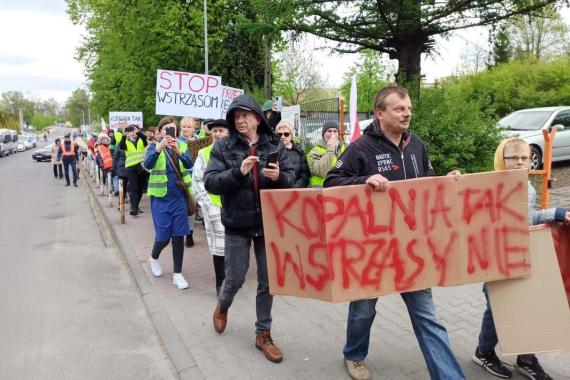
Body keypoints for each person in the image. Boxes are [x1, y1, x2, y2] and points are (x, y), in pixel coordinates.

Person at [324, 85, 465, 380]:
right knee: (363, 310)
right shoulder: (361, 148)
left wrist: (444, 182)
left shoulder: (417, 145)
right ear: (379, 113)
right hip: (372, 248)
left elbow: (425, 181)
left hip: (411, 248)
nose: (407, 113)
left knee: (427, 317)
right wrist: (364, 179)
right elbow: (331, 181)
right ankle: (354, 355)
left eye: (409, 108)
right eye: (399, 109)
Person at [204, 95, 294, 363]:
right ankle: (223, 305)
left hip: (268, 224)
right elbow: (210, 182)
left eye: (245, 115)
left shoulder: (273, 145)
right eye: (236, 116)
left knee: (268, 281)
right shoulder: (223, 147)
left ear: (257, 116)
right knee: (235, 278)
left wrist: (279, 178)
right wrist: (237, 172)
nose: (240, 120)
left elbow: (293, 178)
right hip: (237, 225)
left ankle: (263, 334)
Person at [472, 137, 570, 380]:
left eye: (524, 158)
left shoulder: (528, 187)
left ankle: (526, 358)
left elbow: (525, 218)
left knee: (528, 305)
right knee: (496, 309)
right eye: (513, 158)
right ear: (501, 161)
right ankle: (483, 352)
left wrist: (556, 213)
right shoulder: (489, 187)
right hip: (497, 259)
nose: (519, 163)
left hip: (523, 256)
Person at [145, 116, 193, 290]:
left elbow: (189, 164)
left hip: (179, 198)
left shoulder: (183, 146)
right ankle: (154, 257)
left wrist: (179, 152)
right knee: (163, 236)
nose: (169, 133)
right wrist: (159, 147)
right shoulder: (153, 147)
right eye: (166, 130)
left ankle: (177, 274)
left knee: (179, 236)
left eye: (172, 129)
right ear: (160, 132)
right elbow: (148, 165)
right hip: (160, 198)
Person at [192, 119, 229, 295]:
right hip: (214, 206)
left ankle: (231, 280)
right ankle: (220, 284)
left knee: (234, 245)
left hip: (234, 206)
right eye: (215, 131)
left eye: (221, 130)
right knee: (219, 247)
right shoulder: (204, 153)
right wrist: (208, 205)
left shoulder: (236, 151)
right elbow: (197, 181)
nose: (217, 134)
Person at [179, 117, 200, 247]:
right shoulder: (176, 142)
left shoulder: (199, 142)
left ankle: (190, 234)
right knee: (180, 209)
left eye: (188, 127)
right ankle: (179, 234)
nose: (186, 129)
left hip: (194, 180)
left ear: (193, 128)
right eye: (184, 127)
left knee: (191, 208)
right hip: (179, 180)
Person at [119, 124, 148, 216]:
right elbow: (121, 146)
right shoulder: (126, 141)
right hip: (131, 167)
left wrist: (138, 132)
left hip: (142, 166)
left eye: (134, 130)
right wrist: (123, 135)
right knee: (133, 187)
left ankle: (136, 205)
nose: (132, 133)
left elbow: (145, 140)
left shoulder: (141, 139)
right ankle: (134, 208)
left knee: (140, 188)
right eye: (130, 131)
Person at [307, 120, 346, 187]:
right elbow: (321, 171)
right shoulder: (315, 151)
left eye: (335, 131)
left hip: (340, 188)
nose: (332, 134)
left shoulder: (343, 148)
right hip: (321, 190)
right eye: (329, 131)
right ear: (323, 134)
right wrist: (330, 148)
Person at [276, 120, 309, 188]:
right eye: (279, 134)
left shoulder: (299, 152)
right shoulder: (272, 151)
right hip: (277, 192)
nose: (282, 137)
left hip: (296, 192)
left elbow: (305, 175)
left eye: (286, 134)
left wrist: (295, 187)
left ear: (291, 136)